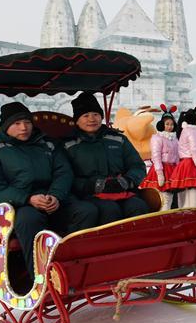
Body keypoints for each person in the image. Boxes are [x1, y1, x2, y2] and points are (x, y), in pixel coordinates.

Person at [0, 102, 97, 273]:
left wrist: (56, 195)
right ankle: (39, 276)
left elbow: (63, 172)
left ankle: (74, 266)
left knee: (87, 211)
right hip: (21, 204)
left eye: (27, 123)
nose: (24, 128)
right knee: (29, 220)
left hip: (55, 199)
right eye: (17, 124)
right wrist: (28, 198)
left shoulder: (48, 143)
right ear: (6, 126)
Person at [63, 92, 149, 225]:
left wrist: (127, 181)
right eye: (86, 116)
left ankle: (137, 244)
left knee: (138, 207)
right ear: (77, 120)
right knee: (110, 210)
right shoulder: (68, 145)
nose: (92, 119)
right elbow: (65, 175)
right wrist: (92, 185)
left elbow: (137, 165)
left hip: (122, 191)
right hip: (88, 195)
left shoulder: (117, 139)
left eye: (96, 115)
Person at [139, 104, 179, 208]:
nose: (170, 126)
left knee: (170, 198)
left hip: (172, 170)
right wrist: (160, 173)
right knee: (162, 198)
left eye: (172, 124)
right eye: (167, 124)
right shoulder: (157, 138)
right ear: (162, 124)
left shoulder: (174, 139)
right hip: (161, 170)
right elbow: (156, 156)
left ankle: (167, 217)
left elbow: (177, 156)